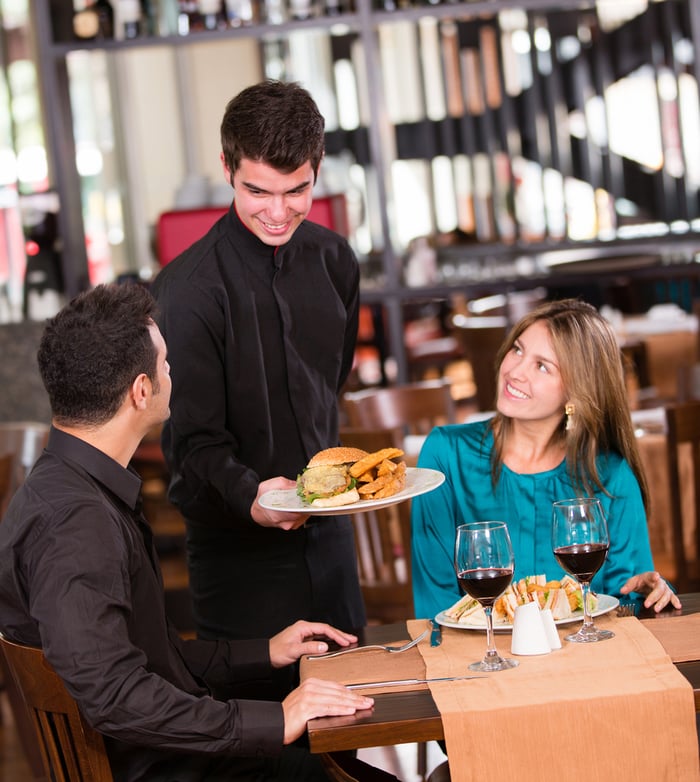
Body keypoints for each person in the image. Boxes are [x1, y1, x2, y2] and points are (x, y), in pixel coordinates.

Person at [0, 283, 397, 782]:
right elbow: (113, 694)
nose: (173, 372)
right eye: (165, 362)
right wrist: (277, 719)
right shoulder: (75, 523)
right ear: (140, 391)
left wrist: (266, 651)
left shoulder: (68, 488)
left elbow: (139, 658)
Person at [150, 80, 365, 698]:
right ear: (227, 169)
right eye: (257, 191)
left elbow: (332, 386)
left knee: (344, 730)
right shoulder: (187, 293)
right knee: (265, 749)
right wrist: (253, 495)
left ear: (317, 170)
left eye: (296, 190)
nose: (278, 211)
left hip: (331, 543)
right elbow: (192, 444)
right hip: (238, 561)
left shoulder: (335, 262)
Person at [411, 298, 681, 621]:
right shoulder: (445, 456)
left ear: (576, 393)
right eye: (518, 350)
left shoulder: (610, 476)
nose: (514, 371)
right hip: (477, 663)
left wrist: (649, 594)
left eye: (542, 366)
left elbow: (620, 606)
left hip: (583, 665)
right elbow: (435, 609)